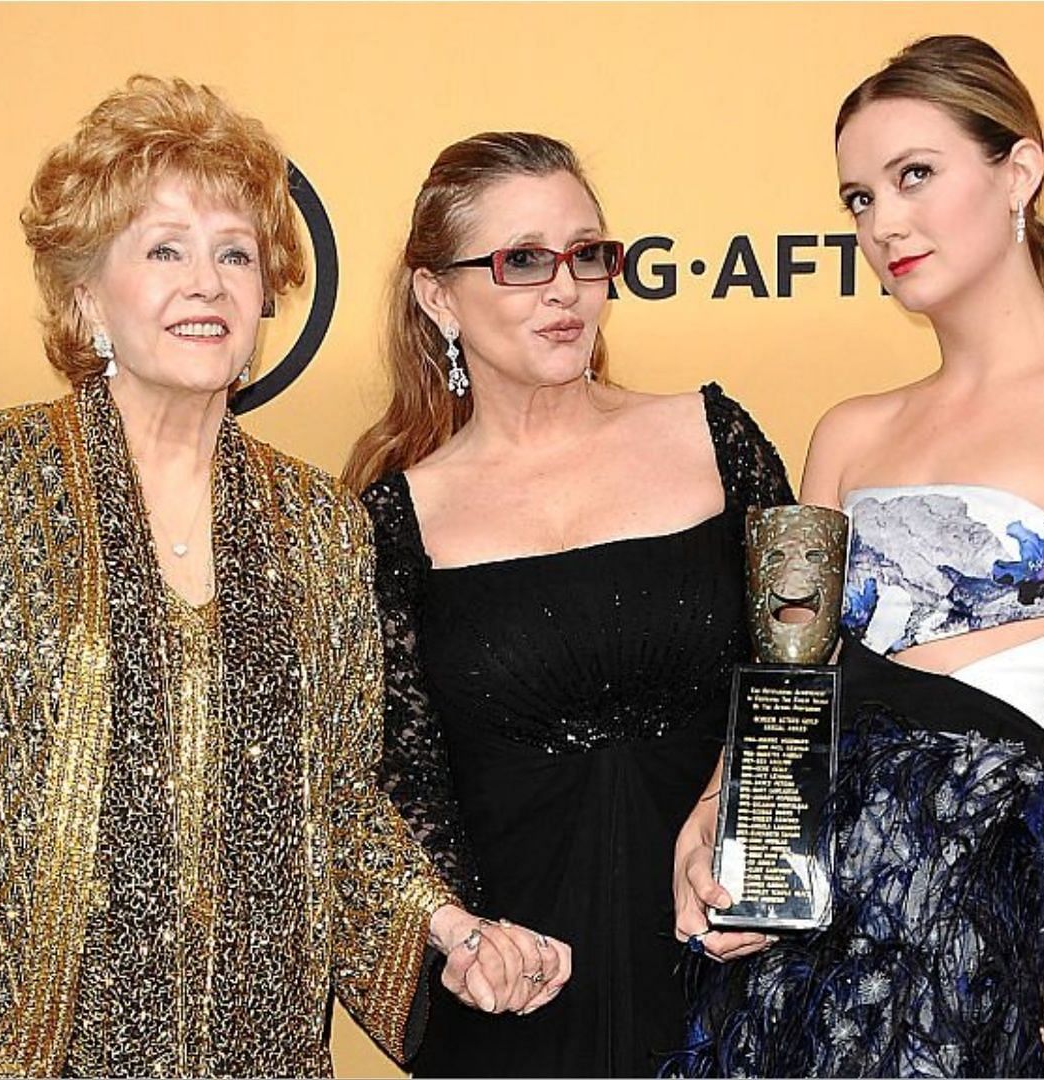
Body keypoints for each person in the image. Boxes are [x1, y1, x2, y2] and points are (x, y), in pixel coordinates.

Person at [0, 77, 569, 1078]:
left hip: (254, 1051)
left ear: (267, 296)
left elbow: (344, 805)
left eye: (234, 254)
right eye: (163, 249)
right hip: (19, 1052)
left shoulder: (320, 524)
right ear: (86, 292)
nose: (206, 283)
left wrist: (450, 929)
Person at [673, 35, 1044, 1079]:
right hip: (808, 909)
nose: (886, 223)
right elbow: (793, 684)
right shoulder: (850, 434)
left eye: (915, 175)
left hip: (968, 895)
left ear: (1020, 171)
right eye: (860, 199)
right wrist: (716, 827)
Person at [337, 131, 792, 1077]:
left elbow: (800, 675)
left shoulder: (716, 438)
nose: (566, 289)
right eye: (523, 260)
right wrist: (460, 943)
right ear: (437, 295)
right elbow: (387, 788)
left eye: (589, 254)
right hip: (520, 1002)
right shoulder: (389, 521)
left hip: (737, 970)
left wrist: (756, 847)